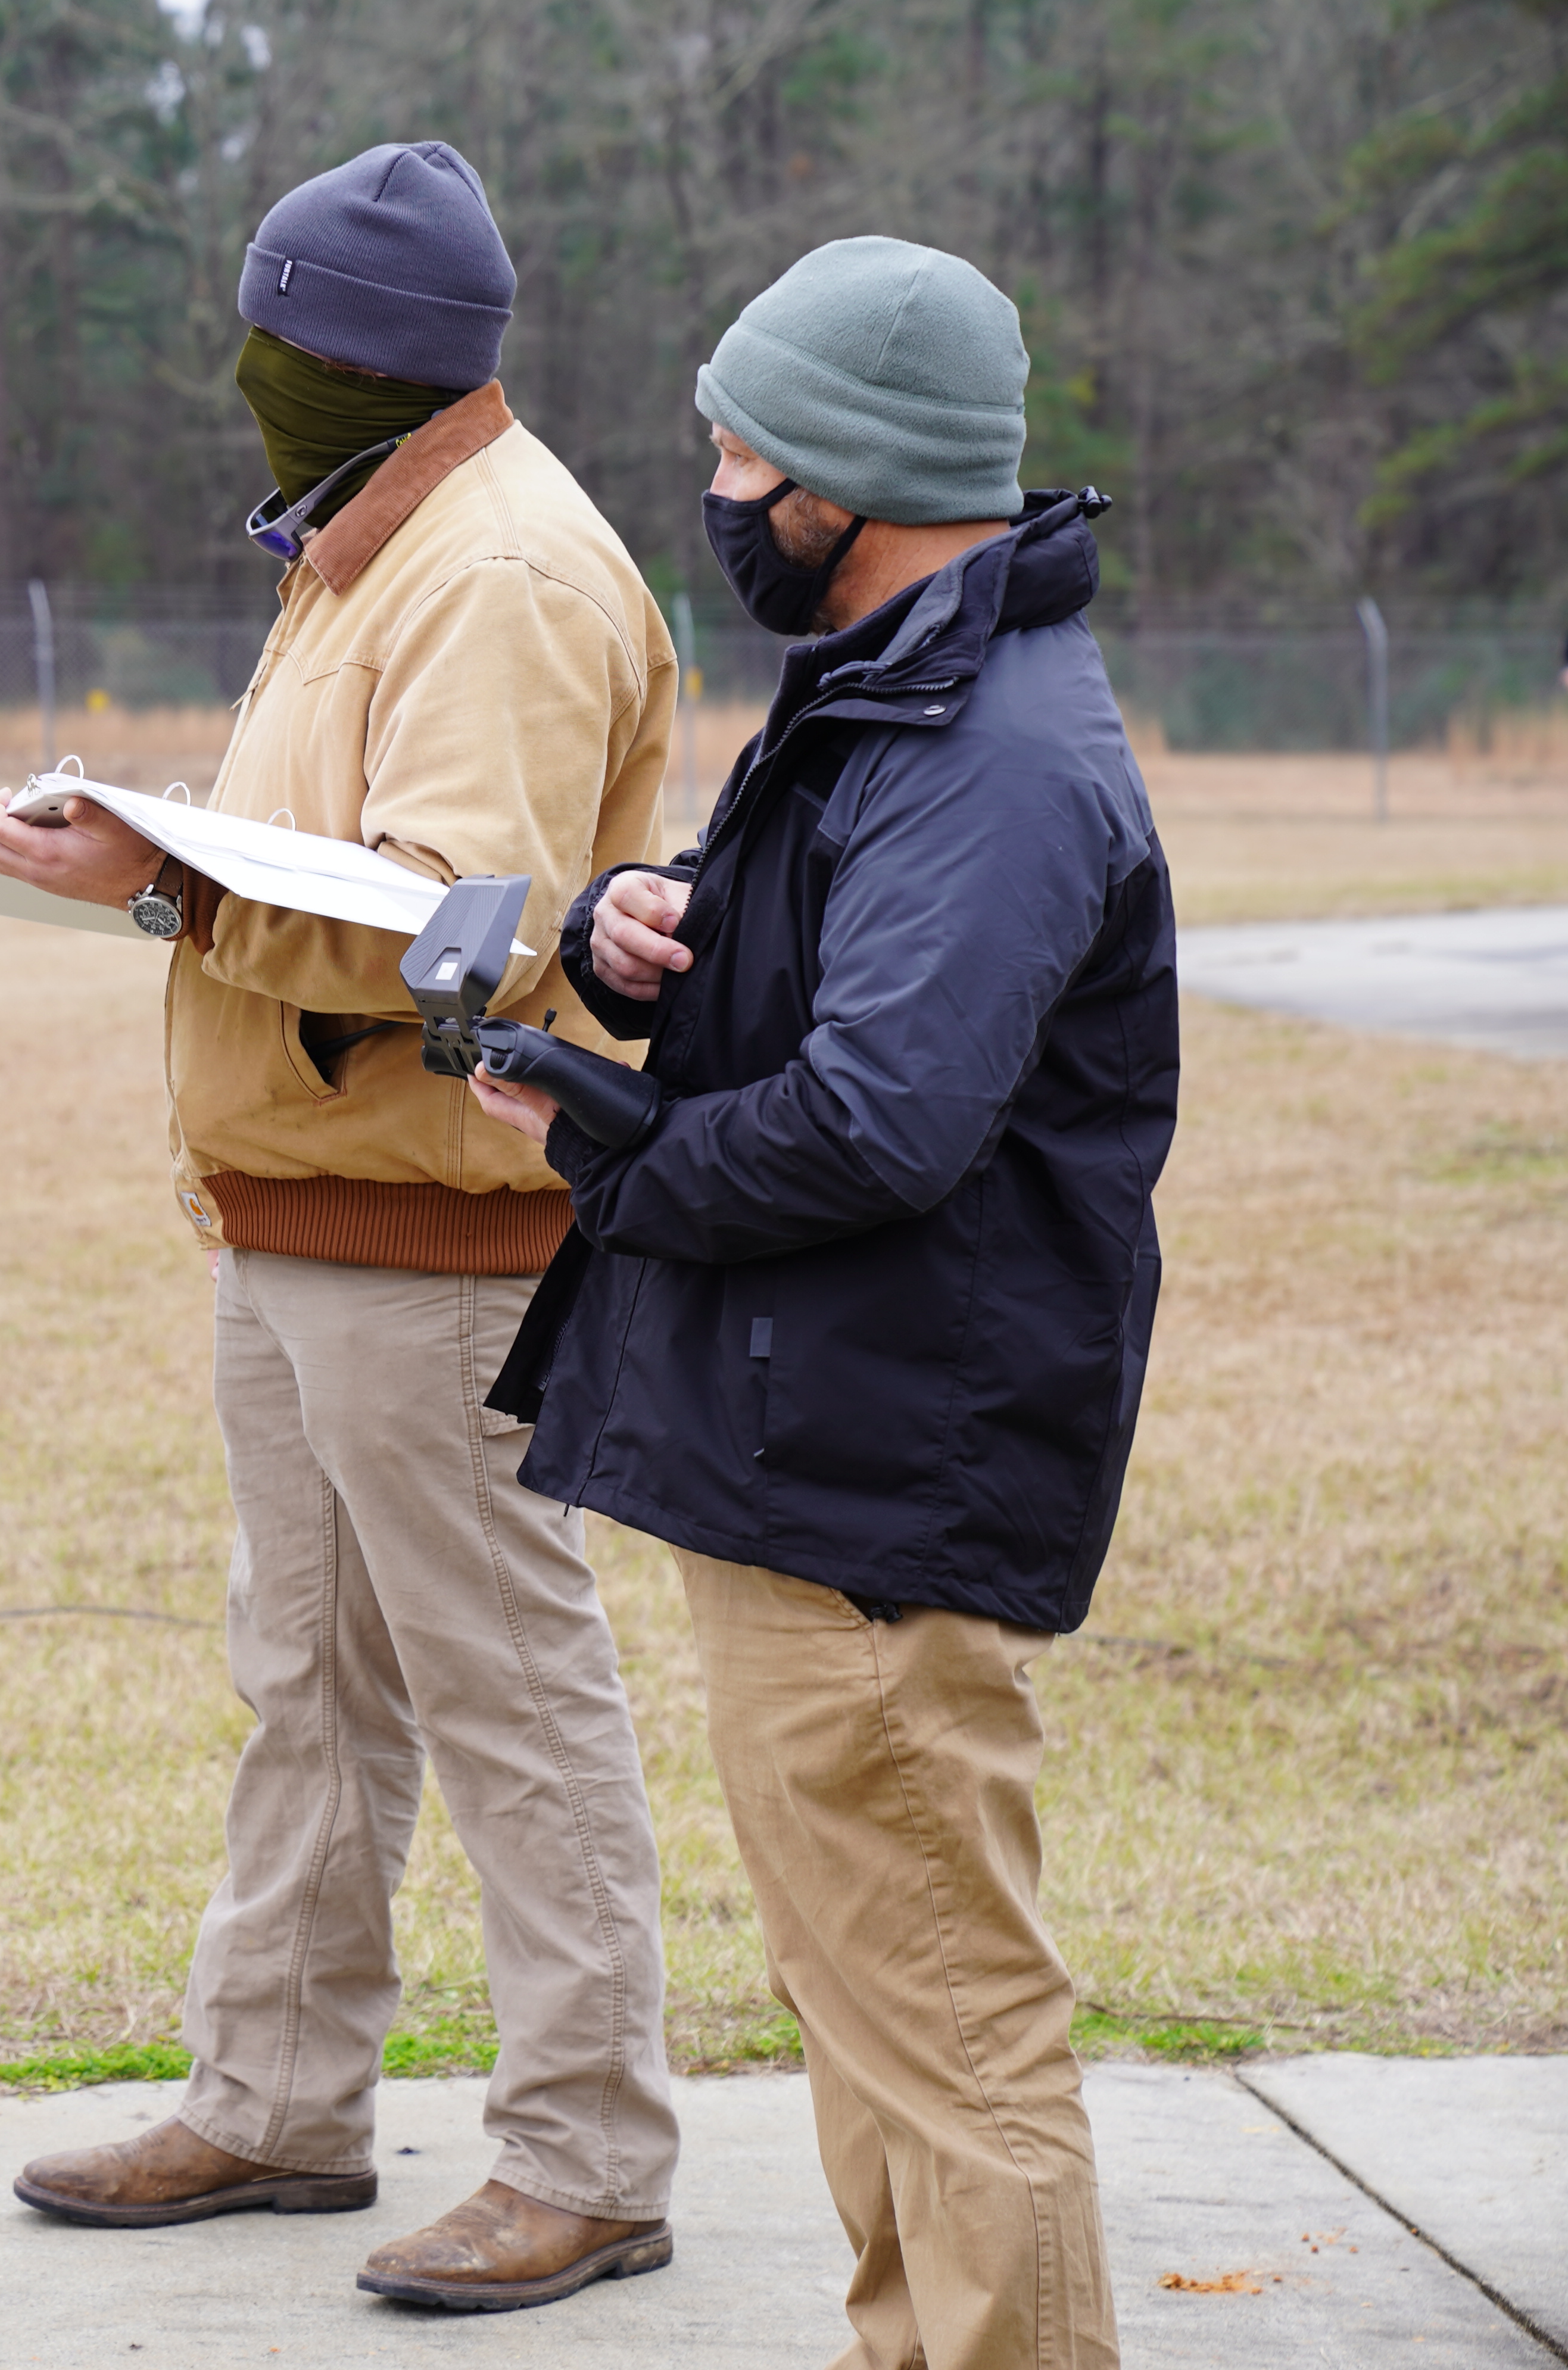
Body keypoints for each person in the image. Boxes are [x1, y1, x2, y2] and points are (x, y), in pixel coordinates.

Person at [0, 144, 684, 2314]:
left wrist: (164, 889)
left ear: (352, 355)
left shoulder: (504, 574)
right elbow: (335, 849)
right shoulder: (365, 544)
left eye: (273, 335)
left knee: (507, 1696)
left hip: (437, 1235)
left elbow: (455, 921)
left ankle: (590, 2157)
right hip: (298, 1219)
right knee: (312, 1686)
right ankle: (276, 2101)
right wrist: (153, 841)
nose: (248, 374)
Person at [475, 237, 1173, 2369]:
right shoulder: (898, 687)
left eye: (740, 445)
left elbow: (882, 1123)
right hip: (810, 1451)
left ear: (849, 477)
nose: (715, 479)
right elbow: (832, 1007)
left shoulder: (992, 750)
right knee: (872, 2008)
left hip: (881, 1472)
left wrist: (602, 1142)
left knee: (943, 2023)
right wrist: (631, 938)